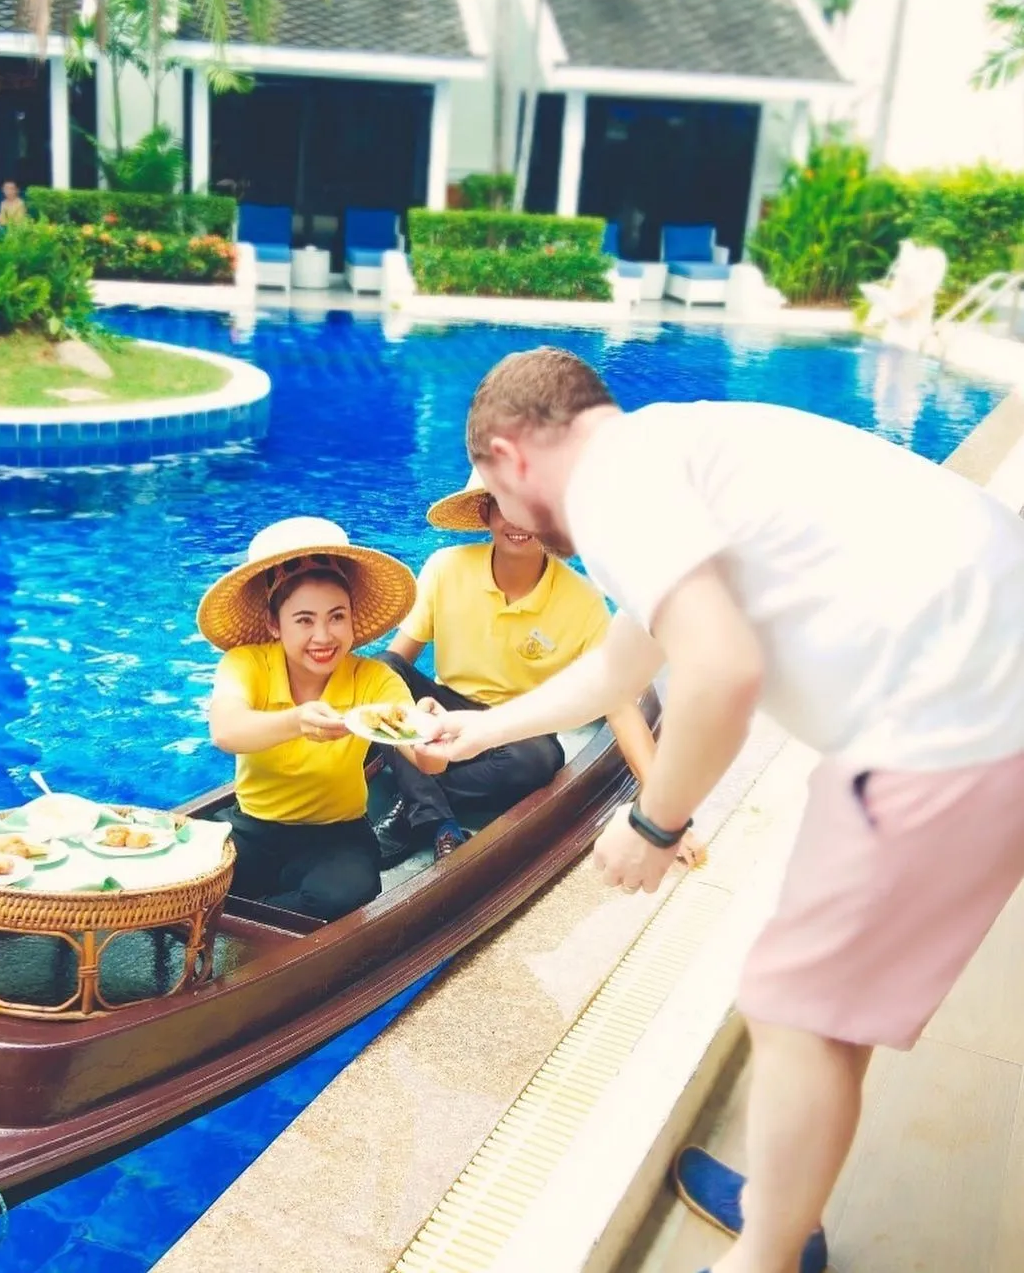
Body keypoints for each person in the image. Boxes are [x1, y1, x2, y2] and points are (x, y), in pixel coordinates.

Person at [422, 347, 1024, 1273]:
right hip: (975, 691)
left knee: (789, 1007)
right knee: (821, 1007)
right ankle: (786, 1204)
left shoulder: (611, 485)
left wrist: (654, 823)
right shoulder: (666, 453)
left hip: (951, 716)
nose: (507, 519)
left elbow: (720, 670)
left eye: (495, 494)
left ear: (509, 453)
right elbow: (620, 667)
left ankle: (766, 1256)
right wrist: (480, 731)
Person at [376, 468, 700, 867]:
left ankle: (413, 805)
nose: (519, 521)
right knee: (383, 672)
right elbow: (393, 667)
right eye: (505, 505)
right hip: (443, 710)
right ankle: (436, 818)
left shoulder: (581, 599)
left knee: (539, 760)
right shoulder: (446, 567)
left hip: (514, 729)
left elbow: (617, 702)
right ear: (486, 513)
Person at [197, 517, 446, 921]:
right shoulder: (247, 664)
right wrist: (297, 721)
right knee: (190, 880)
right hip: (254, 827)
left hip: (337, 834)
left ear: (351, 618)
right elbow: (226, 730)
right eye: (304, 620)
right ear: (274, 623)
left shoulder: (374, 678)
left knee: (348, 892)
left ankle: (249, 921)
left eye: (336, 617)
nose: (324, 636)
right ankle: (270, 916)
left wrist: (434, 734)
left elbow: (428, 761)